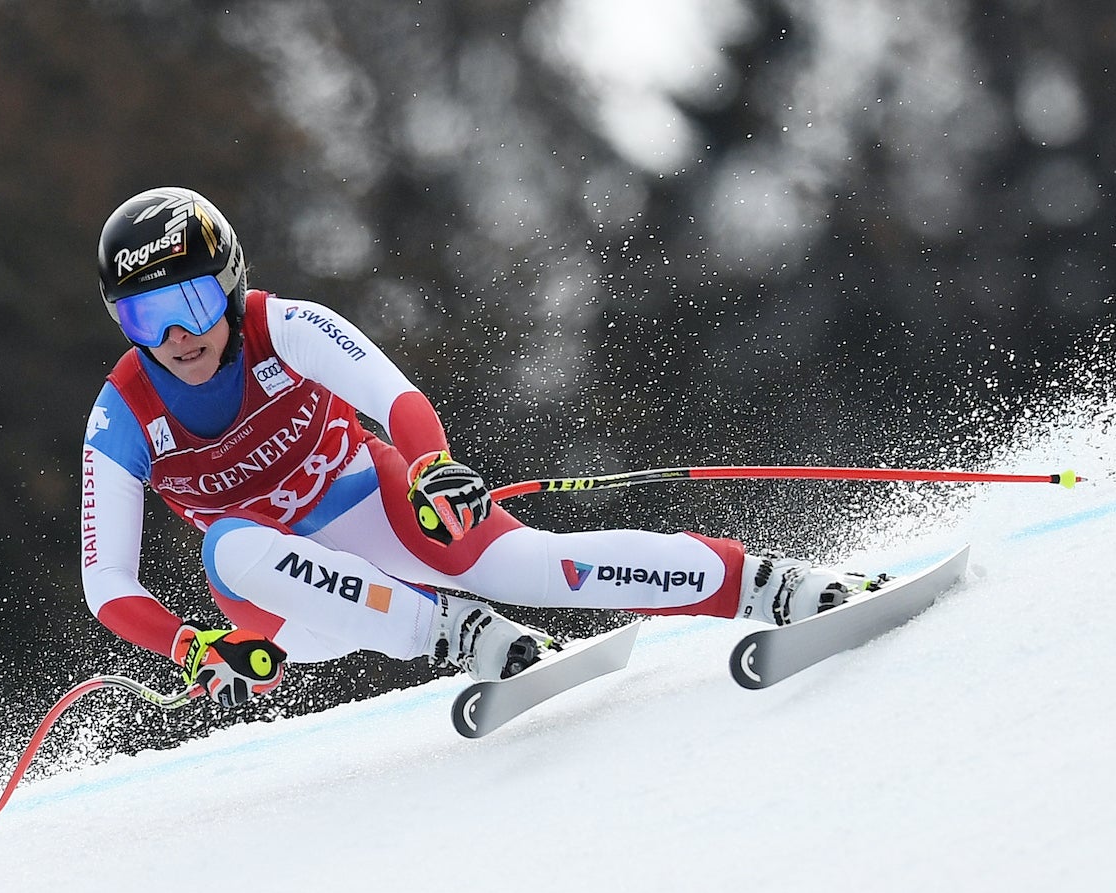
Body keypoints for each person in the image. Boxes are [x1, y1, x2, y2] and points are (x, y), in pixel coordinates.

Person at [80, 186, 877, 707]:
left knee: (529, 567)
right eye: (146, 319)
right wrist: (189, 644)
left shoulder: (282, 326)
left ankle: (774, 585)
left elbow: (397, 401)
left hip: (376, 505)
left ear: (226, 284)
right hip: (290, 600)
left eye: (189, 301)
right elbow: (106, 581)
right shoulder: (123, 413)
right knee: (226, 543)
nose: (177, 336)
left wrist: (432, 469)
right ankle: (459, 633)